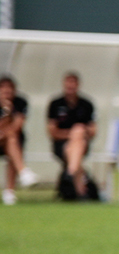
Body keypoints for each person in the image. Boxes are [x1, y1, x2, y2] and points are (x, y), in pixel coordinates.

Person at [47, 72, 96, 199]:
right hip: (61, 144)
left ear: (78, 85)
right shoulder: (56, 104)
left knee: (78, 134)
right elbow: (52, 131)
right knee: (75, 142)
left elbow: (93, 131)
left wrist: (79, 133)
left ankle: (69, 173)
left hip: (82, 144)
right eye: (68, 83)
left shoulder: (86, 104)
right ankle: (81, 192)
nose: (71, 86)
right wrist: (73, 135)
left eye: (73, 83)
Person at [0, 75, 39, 205]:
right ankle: (23, 171)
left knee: (12, 142)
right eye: (3, 88)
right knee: (11, 140)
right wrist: (5, 111)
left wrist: (8, 110)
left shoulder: (20, 103)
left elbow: (17, 126)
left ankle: (9, 192)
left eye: (9, 88)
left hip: (10, 140)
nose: (7, 91)